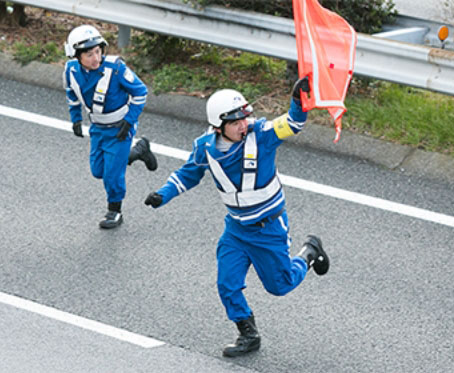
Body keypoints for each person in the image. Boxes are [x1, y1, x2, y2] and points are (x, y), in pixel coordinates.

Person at [144, 77, 330, 357]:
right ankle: (248, 334)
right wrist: (163, 194)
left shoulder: (263, 133)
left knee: (280, 286)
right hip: (236, 231)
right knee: (227, 284)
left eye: (245, 117)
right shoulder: (205, 147)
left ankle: (309, 252)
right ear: (218, 126)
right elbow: (187, 174)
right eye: (235, 122)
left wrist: (298, 101)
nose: (243, 125)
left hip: (269, 229)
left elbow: (293, 123)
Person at [63, 24, 157, 229]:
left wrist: (130, 120)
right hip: (98, 128)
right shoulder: (70, 71)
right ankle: (139, 150)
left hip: (120, 128)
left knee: (112, 175)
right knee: (98, 171)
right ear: (75, 56)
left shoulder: (115, 69)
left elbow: (140, 92)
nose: (95, 58)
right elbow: (72, 94)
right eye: (89, 54)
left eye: (98, 52)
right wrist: (76, 119)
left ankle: (115, 211)